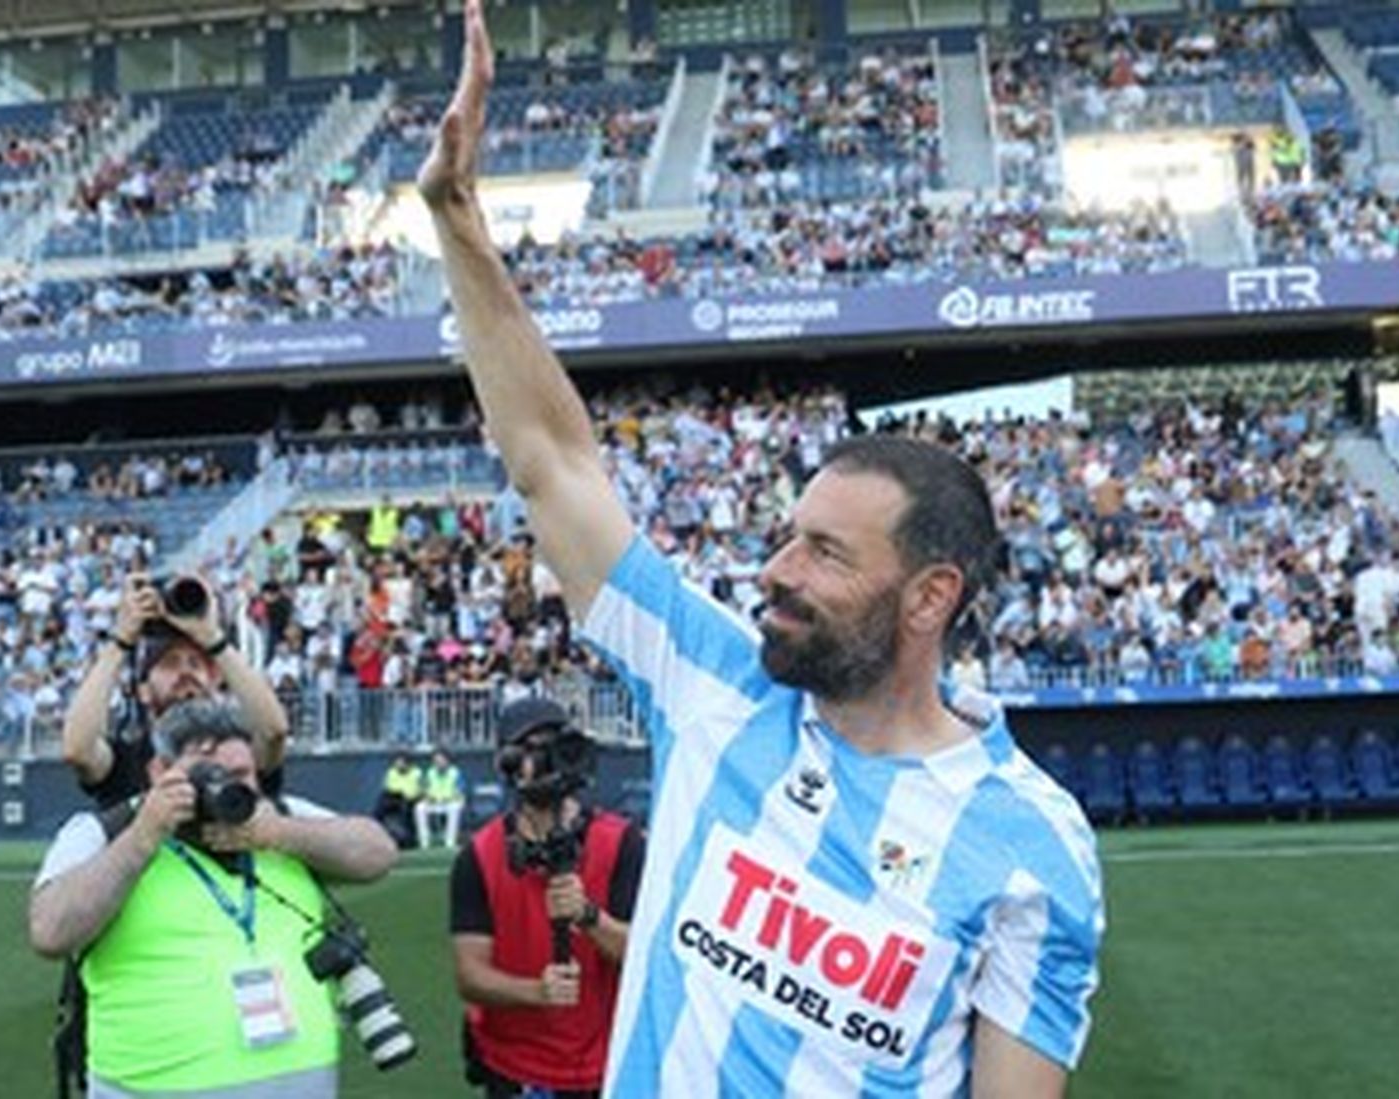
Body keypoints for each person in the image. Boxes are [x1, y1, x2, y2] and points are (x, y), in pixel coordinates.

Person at [419, 5, 1104, 1094]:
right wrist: (455, 216)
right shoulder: (715, 680)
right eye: (786, 536)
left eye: (825, 552)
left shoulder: (1031, 843)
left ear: (929, 595)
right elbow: (554, 462)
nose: (776, 570)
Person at [29, 699, 398, 1097]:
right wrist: (142, 838)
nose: (227, 788)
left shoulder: (275, 816)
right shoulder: (104, 832)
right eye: (208, 775)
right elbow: (50, 932)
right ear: (159, 772)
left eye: (241, 774)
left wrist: (280, 834)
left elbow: (378, 853)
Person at [451, 697, 644, 1099]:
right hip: (513, 1067)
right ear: (507, 762)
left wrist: (589, 916)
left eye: (552, 747)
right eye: (530, 750)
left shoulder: (622, 842)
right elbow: (470, 976)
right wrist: (535, 992)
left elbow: (643, 957)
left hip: (604, 1065)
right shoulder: (479, 856)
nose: (543, 763)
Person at [61, 573, 290, 807]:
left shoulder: (237, 751)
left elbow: (274, 732)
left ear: (214, 680)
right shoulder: (128, 760)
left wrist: (213, 639)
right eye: (170, 663)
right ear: (143, 691)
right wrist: (121, 640)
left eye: (195, 663)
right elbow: (78, 750)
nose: (185, 672)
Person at [423, 747, 467, 849]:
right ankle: (424, 842)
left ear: (447, 760)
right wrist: (429, 797)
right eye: (436, 761)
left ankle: (449, 842)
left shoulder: (455, 773)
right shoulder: (430, 773)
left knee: (454, 808)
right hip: (435, 802)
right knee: (419, 808)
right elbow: (426, 789)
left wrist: (449, 798)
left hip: (452, 802)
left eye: (441, 760)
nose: (438, 763)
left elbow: (460, 791)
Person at [378, 753, 425, 847]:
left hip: (412, 799)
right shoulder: (391, 772)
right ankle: (379, 834)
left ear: (408, 763)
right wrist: (398, 793)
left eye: (401, 762)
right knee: (380, 807)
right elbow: (388, 787)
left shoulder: (417, 773)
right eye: (397, 762)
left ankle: (407, 839)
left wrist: (407, 795)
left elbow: (418, 789)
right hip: (395, 797)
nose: (399, 764)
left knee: (406, 807)